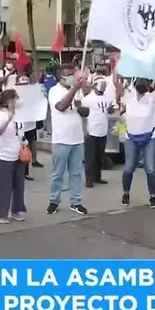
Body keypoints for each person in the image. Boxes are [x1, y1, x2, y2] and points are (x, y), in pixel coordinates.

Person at [118, 76, 155, 209]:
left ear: (147, 87)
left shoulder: (152, 98)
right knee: (129, 168)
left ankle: (152, 196)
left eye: (143, 84)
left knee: (150, 169)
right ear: (134, 86)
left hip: (149, 137)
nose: (141, 86)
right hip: (131, 137)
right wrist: (116, 68)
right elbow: (117, 85)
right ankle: (126, 193)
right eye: (139, 83)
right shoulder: (128, 97)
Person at [46, 64, 88, 216]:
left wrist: (80, 106)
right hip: (61, 139)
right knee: (58, 173)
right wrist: (74, 89)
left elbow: (84, 111)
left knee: (76, 173)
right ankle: (54, 201)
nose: (72, 76)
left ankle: (76, 202)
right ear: (61, 76)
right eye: (69, 74)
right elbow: (61, 106)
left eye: (73, 73)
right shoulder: (54, 91)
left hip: (77, 138)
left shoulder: (78, 92)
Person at [0, 89, 27, 223]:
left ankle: (16, 210)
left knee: (19, 184)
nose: (18, 100)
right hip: (4, 155)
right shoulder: (0, 115)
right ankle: (2, 213)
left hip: (18, 154)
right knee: (4, 186)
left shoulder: (19, 114)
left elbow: (20, 131)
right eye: (15, 98)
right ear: (8, 101)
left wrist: (24, 141)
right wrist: (8, 120)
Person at [81, 78, 112, 187]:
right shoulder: (87, 99)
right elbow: (83, 114)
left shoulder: (107, 98)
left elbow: (108, 110)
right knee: (90, 157)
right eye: (100, 85)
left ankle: (97, 177)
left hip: (103, 130)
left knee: (100, 155)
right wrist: (84, 129)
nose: (102, 87)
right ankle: (89, 179)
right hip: (91, 130)